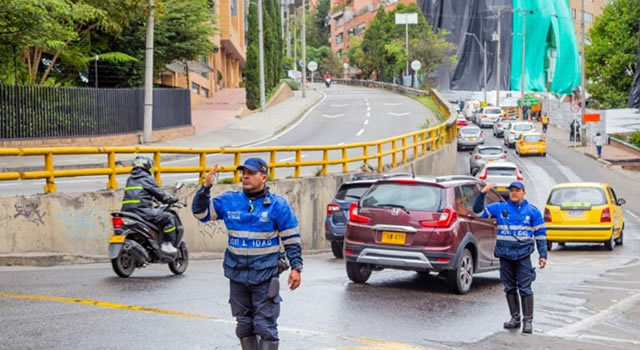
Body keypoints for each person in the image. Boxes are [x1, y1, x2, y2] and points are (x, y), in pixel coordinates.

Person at [191, 158, 303, 350]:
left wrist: (296, 268)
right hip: (237, 274)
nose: (245, 177)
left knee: (265, 325)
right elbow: (200, 214)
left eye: (251, 173)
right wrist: (205, 187)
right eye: (244, 173)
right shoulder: (229, 201)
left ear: (264, 177)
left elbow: (291, 239)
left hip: (265, 275)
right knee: (244, 325)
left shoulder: (278, 205)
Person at [473, 181, 547, 334]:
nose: (514, 193)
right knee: (509, 288)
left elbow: (540, 235)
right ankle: (515, 318)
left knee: (525, 288)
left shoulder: (532, 211)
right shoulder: (500, 208)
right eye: (512, 190)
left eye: (517, 190)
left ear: (523, 192)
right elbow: (478, 212)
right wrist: (482, 193)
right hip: (505, 255)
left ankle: (528, 321)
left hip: (523, 256)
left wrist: (543, 255)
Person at [121, 155, 179, 254]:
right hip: (142, 212)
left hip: (126, 212)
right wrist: (172, 199)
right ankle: (167, 244)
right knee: (169, 218)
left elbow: (139, 194)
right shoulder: (146, 178)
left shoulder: (130, 179)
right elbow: (161, 196)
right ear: (148, 166)